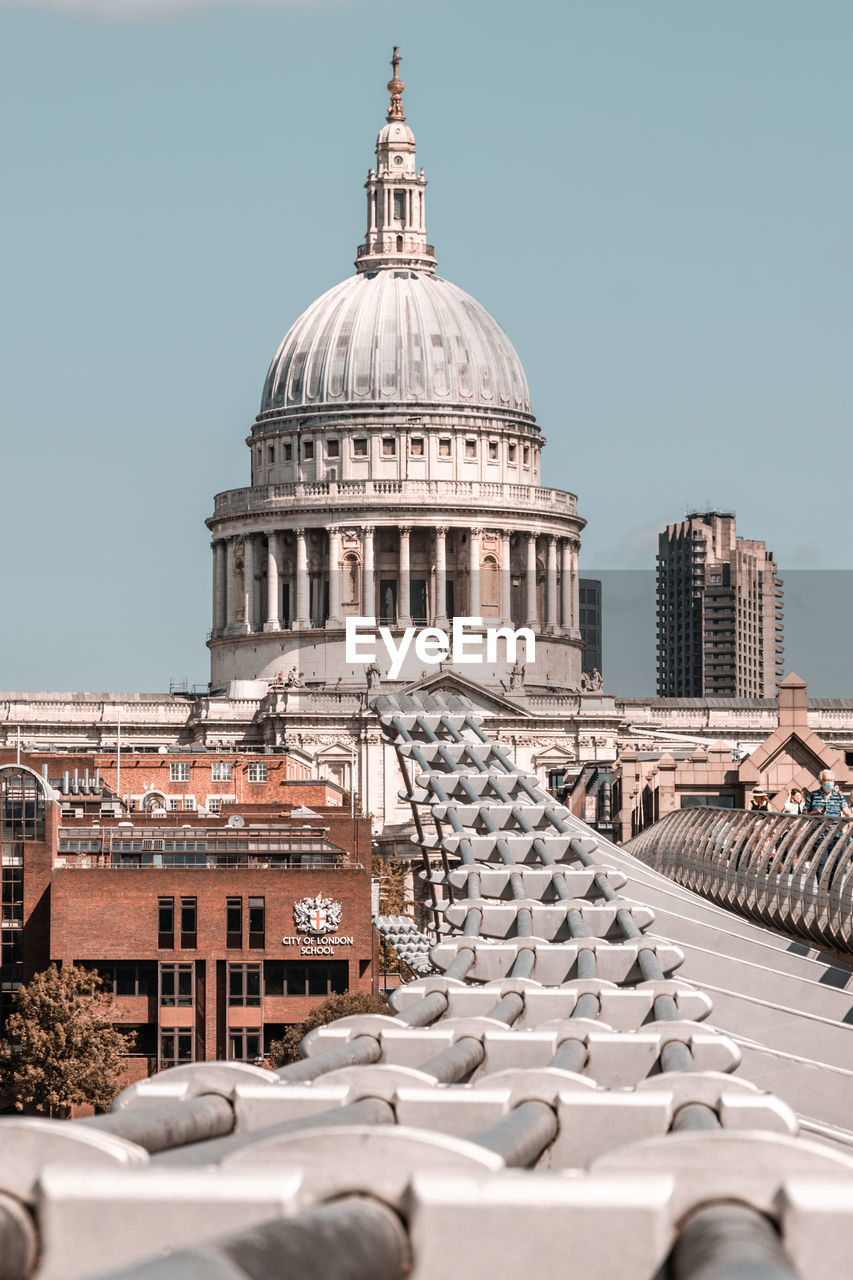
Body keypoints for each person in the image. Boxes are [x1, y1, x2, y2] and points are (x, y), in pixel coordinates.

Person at [803, 770, 853, 882]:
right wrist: (816, 813)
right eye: (826, 780)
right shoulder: (812, 796)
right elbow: (804, 813)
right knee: (821, 863)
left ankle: (830, 889)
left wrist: (850, 820)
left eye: (831, 780)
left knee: (835, 864)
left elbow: (846, 811)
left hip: (836, 835)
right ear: (821, 781)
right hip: (818, 835)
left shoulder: (839, 797)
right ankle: (822, 888)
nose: (829, 783)